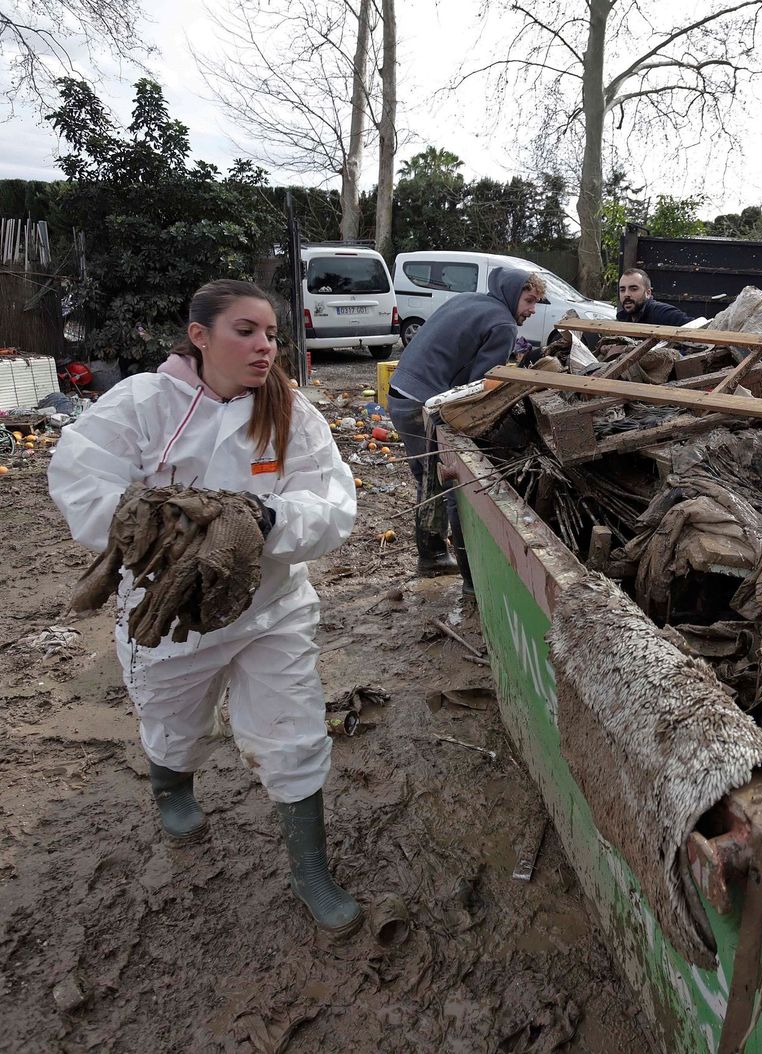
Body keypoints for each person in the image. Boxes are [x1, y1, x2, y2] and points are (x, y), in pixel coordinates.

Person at [48, 280, 363, 937]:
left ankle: (310, 870)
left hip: (271, 606)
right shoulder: (142, 402)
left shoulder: (289, 412)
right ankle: (173, 788)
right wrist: (157, 524)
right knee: (171, 719)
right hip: (172, 611)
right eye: (245, 331)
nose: (264, 346)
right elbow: (80, 474)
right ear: (199, 336)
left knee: (294, 730)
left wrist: (261, 517)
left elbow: (332, 501)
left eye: (272, 334)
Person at [387, 267, 545, 587]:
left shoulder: (472, 299)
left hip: (401, 394)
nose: (531, 310)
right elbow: (478, 391)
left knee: (429, 477)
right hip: (422, 404)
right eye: (529, 301)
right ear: (514, 294)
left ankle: (432, 556)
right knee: (455, 484)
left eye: (537, 303)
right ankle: (472, 578)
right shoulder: (502, 323)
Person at [615, 268, 695, 327]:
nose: (626, 294)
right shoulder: (623, 317)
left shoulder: (663, 313)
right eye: (622, 290)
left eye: (633, 289)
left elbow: (698, 327)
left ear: (648, 293)